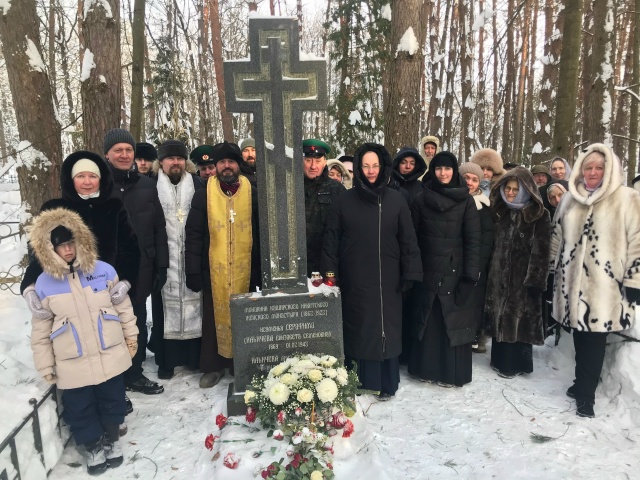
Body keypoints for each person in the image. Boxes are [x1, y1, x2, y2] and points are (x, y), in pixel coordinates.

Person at [27, 207, 138, 475]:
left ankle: (111, 439)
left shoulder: (103, 271)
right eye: (60, 245)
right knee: (80, 407)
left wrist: (131, 337)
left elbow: (123, 308)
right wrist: (45, 364)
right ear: (49, 248)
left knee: (112, 398)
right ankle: (93, 445)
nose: (67, 250)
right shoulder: (43, 284)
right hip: (72, 361)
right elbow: (40, 330)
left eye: (71, 242)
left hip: (108, 353)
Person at [321, 143, 421, 400]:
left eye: (375, 165)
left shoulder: (396, 200)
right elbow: (331, 240)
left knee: (387, 327)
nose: (371, 170)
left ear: (383, 166)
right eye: (365, 166)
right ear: (358, 168)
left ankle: (386, 382)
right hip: (355, 276)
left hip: (389, 278)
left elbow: (408, 240)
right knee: (360, 326)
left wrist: (411, 273)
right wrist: (330, 274)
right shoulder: (344, 201)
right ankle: (360, 380)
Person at [549, 143, 640, 418]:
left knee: (595, 338)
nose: (593, 172)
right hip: (570, 283)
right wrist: (551, 270)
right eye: (588, 167)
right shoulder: (570, 199)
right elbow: (556, 236)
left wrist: (635, 281)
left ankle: (586, 395)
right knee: (579, 333)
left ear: (609, 169)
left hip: (606, 286)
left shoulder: (628, 198)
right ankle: (581, 383)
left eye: (599, 167)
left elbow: (638, 242)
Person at [185, 141, 261, 388]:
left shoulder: (252, 192)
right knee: (213, 320)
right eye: (222, 162)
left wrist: (261, 270)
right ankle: (213, 366)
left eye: (231, 161)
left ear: (238, 165)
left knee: (245, 317)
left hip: (245, 268)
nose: (227, 166)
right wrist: (193, 270)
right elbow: (194, 234)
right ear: (216, 166)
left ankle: (242, 365)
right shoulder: (204, 193)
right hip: (213, 268)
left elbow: (261, 233)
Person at [103, 129, 169, 396]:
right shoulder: (98, 185)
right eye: (117, 150)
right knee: (109, 323)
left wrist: (161, 265)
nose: (124, 155)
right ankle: (112, 377)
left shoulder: (147, 186)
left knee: (137, 320)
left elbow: (158, 227)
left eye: (128, 150)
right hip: (107, 270)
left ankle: (134, 372)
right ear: (107, 154)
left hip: (141, 267)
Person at [408, 153, 481, 387]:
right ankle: (426, 369)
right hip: (427, 269)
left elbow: (473, 241)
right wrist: (413, 270)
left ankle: (452, 373)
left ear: (454, 171)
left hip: (454, 270)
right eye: (438, 168)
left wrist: (470, 275)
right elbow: (413, 239)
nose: (443, 173)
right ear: (433, 171)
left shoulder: (466, 201)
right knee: (429, 320)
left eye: (447, 168)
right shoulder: (421, 199)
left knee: (452, 320)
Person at [484, 167, 551, 379]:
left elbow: (542, 251)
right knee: (500, 317)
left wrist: (536, 280)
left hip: (523, 279)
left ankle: (518, 363)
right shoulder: (500, 211)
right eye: (508, 188)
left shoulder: (539, 215)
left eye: (515, 189)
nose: (510, 192)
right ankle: (499, 360)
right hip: (498, 275)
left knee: (520, 319)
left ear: (526, 190)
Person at [148, 140, 205, 379]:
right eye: (170, 158)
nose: (175, 163)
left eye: (180, 158)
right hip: (165, 260)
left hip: (191, 258)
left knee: (196, 306)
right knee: (164, 310)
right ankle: (167, 361)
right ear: (161, 162)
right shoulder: (150, 186)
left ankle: (194, 359)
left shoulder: (198, 184)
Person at [459, 162, 494, 354]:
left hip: (475, 263)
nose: (470, 183)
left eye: (474, 180)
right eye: (466, 178)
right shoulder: (453, 200)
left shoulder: (484, 207)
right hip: (455, 261)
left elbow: (486, 241)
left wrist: (477, 265)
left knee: (472, 300)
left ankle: (473, 335)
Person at [303, 138, 345, 276]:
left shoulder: (336, 189)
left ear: (325, 162)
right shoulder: (290, 187)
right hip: (296, 264)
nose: (313, 166)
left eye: (318, 161)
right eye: (308, 160)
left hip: (326, 264)